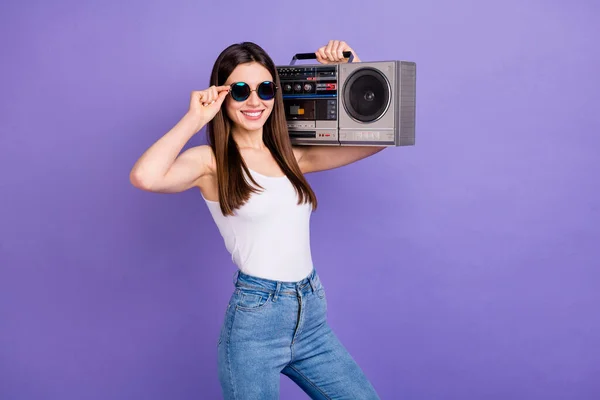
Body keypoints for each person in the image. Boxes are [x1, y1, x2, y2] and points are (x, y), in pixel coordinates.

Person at [130, 39, 384, 399]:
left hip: (310, 315)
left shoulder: (290, 155)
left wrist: (351, 71)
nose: (255, 101)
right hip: (257, 322)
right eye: (240, 90)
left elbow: (377, 140)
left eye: (265, 89)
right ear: (222, 95)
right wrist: (195, 118)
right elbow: (146, 177)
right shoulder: (211, 161)